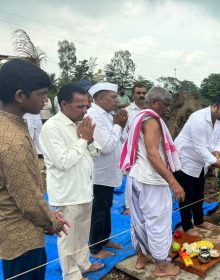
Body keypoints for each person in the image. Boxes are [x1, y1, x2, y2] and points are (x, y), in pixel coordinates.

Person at [0, 59, 68, 280]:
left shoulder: (8, 125)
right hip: (22, 237)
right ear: (20, 96)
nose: (46, 100)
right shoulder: (14, 140)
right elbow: (27, 199)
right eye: (41, 94)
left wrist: (46, 212)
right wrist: (52, 222)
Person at [40, 84, 104, 279]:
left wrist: (89, 141)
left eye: (86, 106)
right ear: (64, 104)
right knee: (68, 239)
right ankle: (71, 275)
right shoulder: (52, 127)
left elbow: (94, 154)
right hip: (67, 195)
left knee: (82, 235)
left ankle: (84, 264)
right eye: (80, 106)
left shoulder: (80, 124)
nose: (85, 110)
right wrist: (83, 140)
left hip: (84, 190)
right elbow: (63, 162)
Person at [120, 86, 185, 277]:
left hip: (136, 177)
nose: (168, 109)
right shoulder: (153, 121)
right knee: (159, 223)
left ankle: (142, 258)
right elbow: (153, 154)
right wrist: (173, 182)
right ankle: (162, 267)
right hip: (152, 181)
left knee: (139, 221)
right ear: (155, 102)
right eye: (166, 104)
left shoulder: (139, 116)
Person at [174, 92, 220, 236]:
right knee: (187, 196)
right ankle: (187, 225)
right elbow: (200, 149)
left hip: (200, 162)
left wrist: (217, 154)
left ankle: (199, 220)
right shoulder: (198, 119)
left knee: (199, 193)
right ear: (214, 106)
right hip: (185, 160)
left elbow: (217, 141)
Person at [87, 82, 128, 258]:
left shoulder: (106, 114)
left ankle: (104, 239)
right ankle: (95, 248)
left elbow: (118, 139)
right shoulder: (93, 116)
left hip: (109, 172)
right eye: (113, 97)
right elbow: (106, 147)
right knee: (99, 210)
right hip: (99, 174)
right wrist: (118, 125)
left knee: (107, 206)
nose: (116, 99)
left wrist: (120, 125)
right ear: (101, 98)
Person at [122, 83, 148, 215]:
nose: (142, 95)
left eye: (144, 93)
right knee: (131, 178)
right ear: (133, 95)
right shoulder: (127, 112)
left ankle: (144, 203)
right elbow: (123, 133)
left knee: (145, 176)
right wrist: (134, 144)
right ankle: (129, 205)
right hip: (132, 150)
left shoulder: (149, 111)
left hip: (148, 150)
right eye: (138, 93)